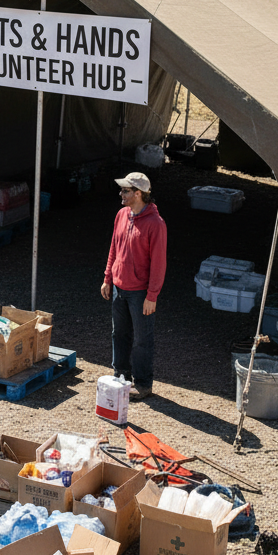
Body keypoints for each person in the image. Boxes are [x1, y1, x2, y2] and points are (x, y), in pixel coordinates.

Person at [100, 171, 167, 400]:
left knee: (141, 339)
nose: (121, 194)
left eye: (125, 190)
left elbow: (159, 264)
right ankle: (120, 376)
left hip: (140, 293)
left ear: (138, 194)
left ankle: (143, 384)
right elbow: (114, 247)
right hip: (119, 288)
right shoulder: (121, 214)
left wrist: (152, 296)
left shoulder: (156, 224)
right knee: (119, 334)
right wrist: (108, 278)